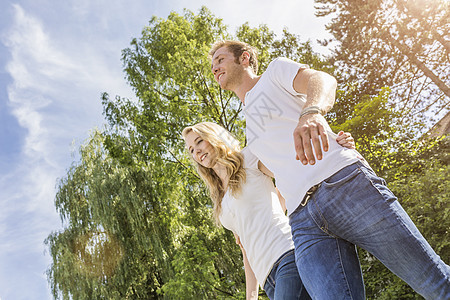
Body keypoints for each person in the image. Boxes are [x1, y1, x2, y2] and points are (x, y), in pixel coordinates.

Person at [208, 40, 450, 300]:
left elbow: (323, 80)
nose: (215, 68)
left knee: (434, 283)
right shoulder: (250, 131)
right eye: (212, 66)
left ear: (244, 58)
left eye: (220, 60)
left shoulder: (274, 74)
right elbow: (262, 176)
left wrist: (312, 113)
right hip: (303, 222)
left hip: (343, 185)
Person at [182, 122, 355, 300]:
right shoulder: (220, 200)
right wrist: (251, 296)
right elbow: (246, 248)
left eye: (199, 141)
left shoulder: (247, 159)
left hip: (286, 254)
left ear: (213, 137)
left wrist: (334, 144)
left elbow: (292, 169)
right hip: (267, 279)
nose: (197, 151)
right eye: (191, 150)